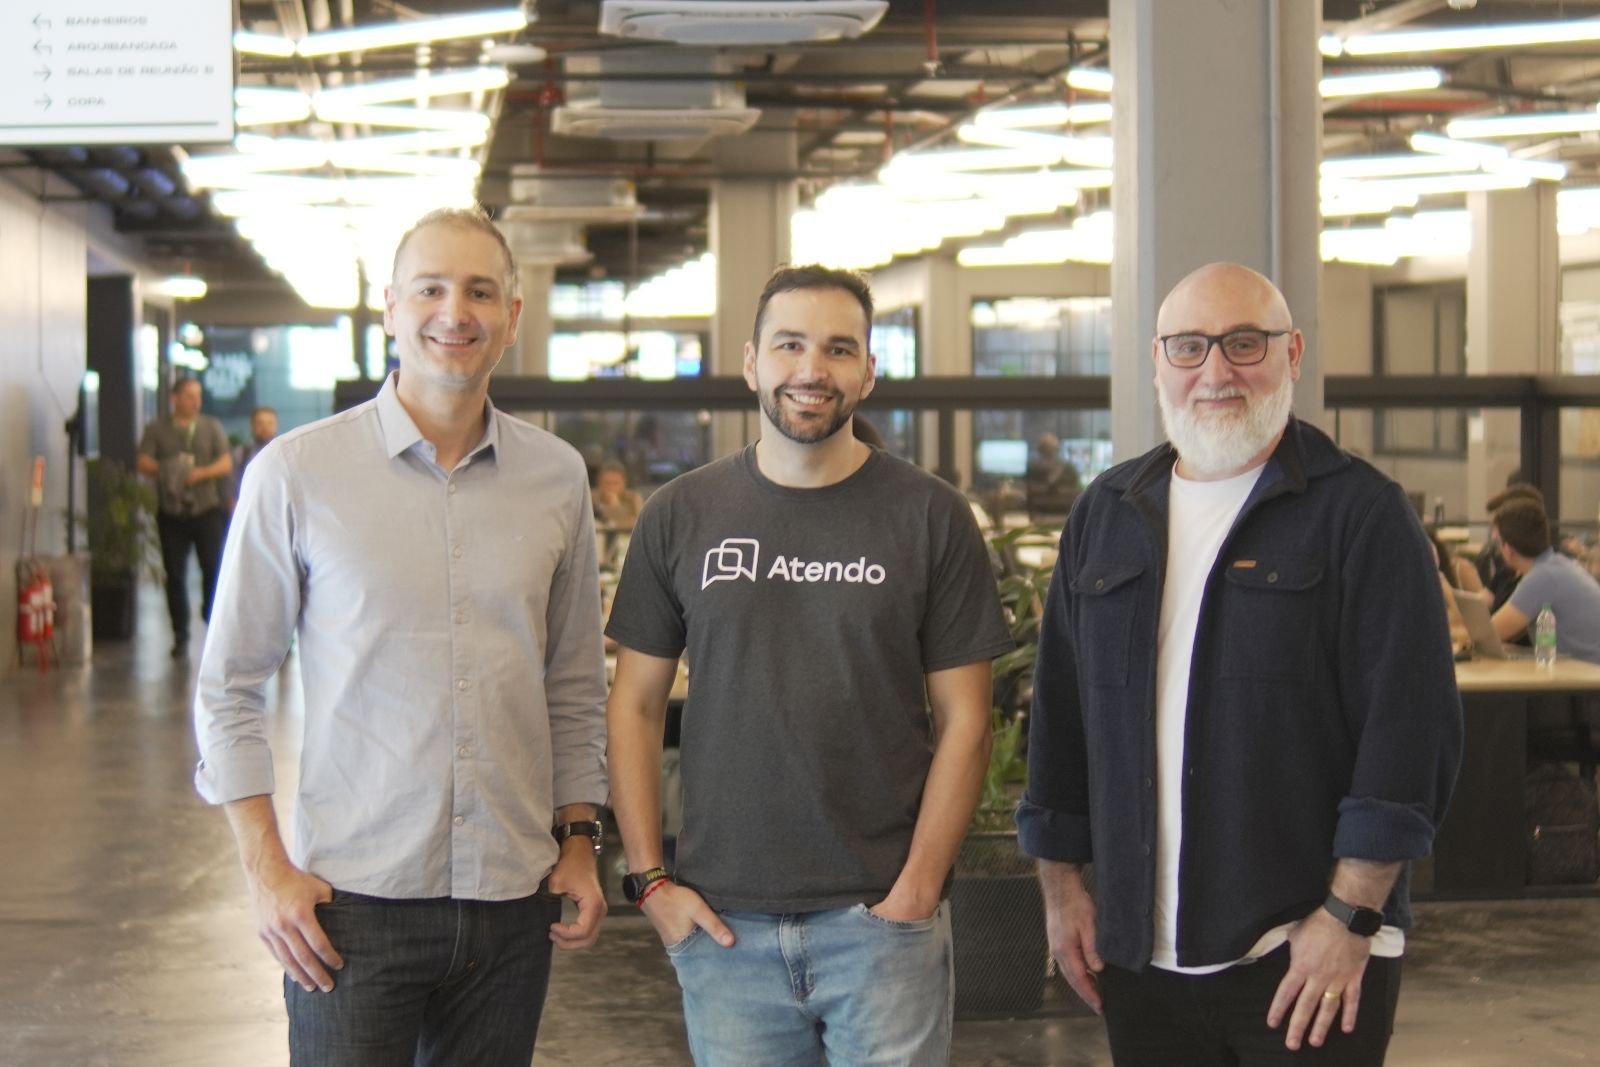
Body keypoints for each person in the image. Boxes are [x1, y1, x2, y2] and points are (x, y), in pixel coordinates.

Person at [192, 206, 609, 1066]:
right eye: (430, 289)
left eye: (480, 292)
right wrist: (266, 869)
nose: (455, 312)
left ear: (512, 317)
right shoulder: (296, 474)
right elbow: (229, 684)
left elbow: (573, 681)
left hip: (512, 903)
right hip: (351, 909)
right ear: (390, 307)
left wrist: (579, 837)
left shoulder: (558, 477)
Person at [1018, 262, 1462, 1066]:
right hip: (1140, 958)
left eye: (1244, 343)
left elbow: (1408, 732)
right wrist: (1062, 888)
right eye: (1190, 347)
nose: (1216, 370)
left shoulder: (1361, 515)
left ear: (1292, 353)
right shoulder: (1105, 515)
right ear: (1158, 362)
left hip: (1305, 953)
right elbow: (1060, 721)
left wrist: (1350, 915)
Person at [605, 264, 1012, 1066]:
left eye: (838, 348)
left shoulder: (931, 516)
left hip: (882, 925)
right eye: (789, 344)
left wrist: (917, 890)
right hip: (724, 926)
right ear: (751, 362)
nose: (812, 368)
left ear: (869, 370)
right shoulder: (680, 514)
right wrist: (651, 881)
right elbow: (635, 705)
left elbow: (968, 720)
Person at [137, 377, 232, 658]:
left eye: (198, 395)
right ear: (175, 398)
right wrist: (171, 470)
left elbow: (226, 462)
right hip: (172, 511)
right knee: (175, 573)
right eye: (190, 395)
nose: (196, 401)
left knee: (213, 567)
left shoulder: (211, 426)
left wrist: (200, 474)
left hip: (207, 509)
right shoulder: (157, 429)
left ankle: (212, 620)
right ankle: (180, 633)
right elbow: (143, 461)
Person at [1490, 498, 1600, 663]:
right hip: (1584, 669)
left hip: (1585, 673)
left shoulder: (1543, 576)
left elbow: (1492, 633)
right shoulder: (1558, 565)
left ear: (1508, 550)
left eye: (1498, 542)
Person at [227, 405, 279, 511]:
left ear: (276, 426)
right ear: (252, 426)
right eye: (260, 423)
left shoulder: (284, 454)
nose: (265, 428)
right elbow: (231, 485)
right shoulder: (241, 453)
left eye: (270, 423)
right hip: (248, 509)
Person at [591, 460, 645, 530]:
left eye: (616, 483)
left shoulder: (634, 498)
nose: (611, 487)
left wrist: (616, 506)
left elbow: (640, 524)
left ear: (624, 483)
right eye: (607, 483)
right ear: (600, 483)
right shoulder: (592, 498)